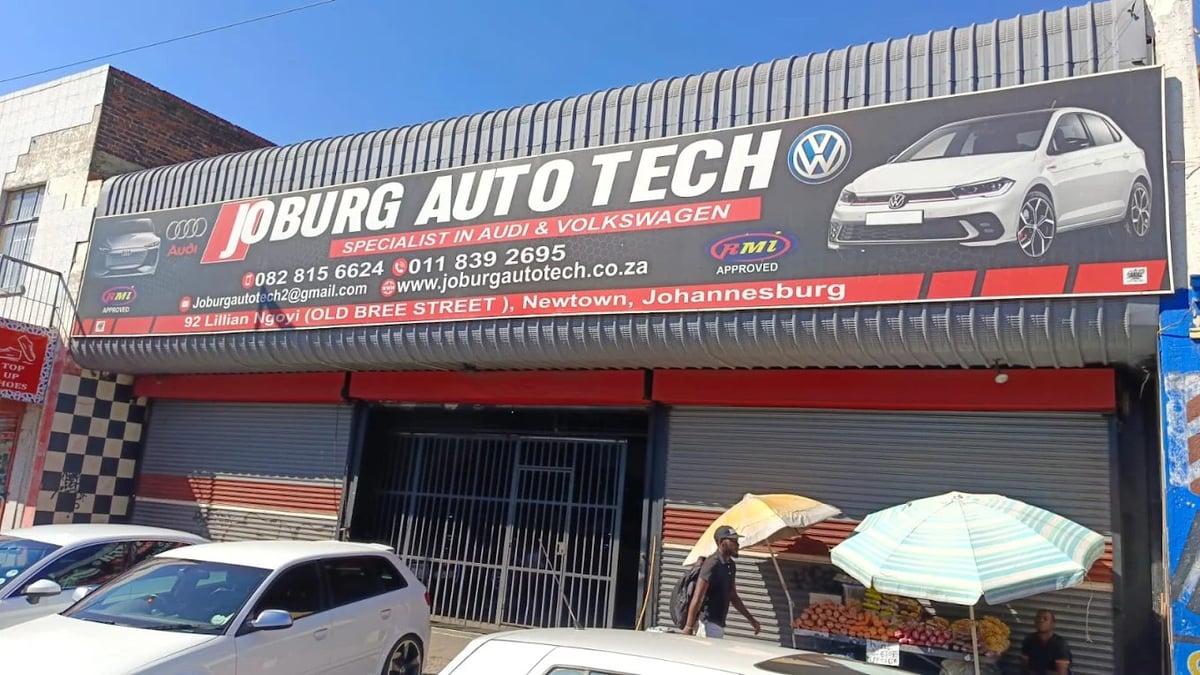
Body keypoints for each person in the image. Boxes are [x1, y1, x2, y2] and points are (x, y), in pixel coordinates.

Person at [682, 525, 761, 639]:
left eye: (737, 541)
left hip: (719, 624)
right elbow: (697, 597)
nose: (737, 545)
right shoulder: (712, 564)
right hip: (707, 624)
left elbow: (733, 596)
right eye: (733, 541)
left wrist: (751, 620)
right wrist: (688, 627)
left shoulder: (731, 565)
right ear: (721, 542)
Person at [1020, 609, 1071, 675]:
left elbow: (1062, 673)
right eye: (1038, 618)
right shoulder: (1029, 639)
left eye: (1045, 619)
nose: (1041, 620)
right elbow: (1024, 667)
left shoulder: (1060, 644)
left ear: (1053, 624)